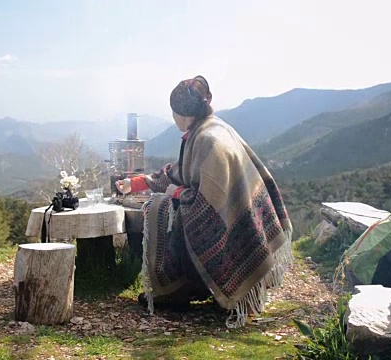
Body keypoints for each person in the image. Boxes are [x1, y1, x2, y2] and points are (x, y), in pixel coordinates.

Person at [116, 75, 293, 328]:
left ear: (181, 113)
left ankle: (176, 289)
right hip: (245, 216)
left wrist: (174, 194)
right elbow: (181, 172)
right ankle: (190, 288)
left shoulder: (208, 139)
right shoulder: (209, 128)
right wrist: (138, 183)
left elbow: (205, 205)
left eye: (173, 112)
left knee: (159, 210)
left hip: (234, 220)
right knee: (167, 205)